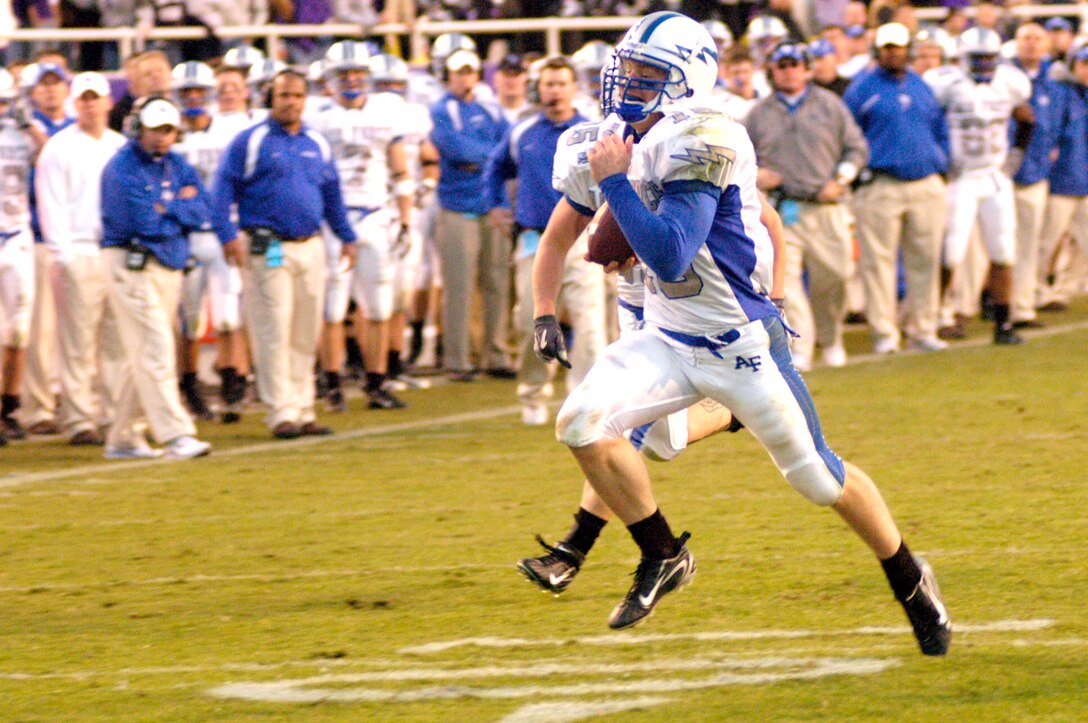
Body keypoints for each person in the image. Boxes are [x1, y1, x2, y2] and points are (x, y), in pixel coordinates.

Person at [534, 12, 949, 658]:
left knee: (818, 477)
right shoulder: (613, 134)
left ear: (687, 80)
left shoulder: (708, 133)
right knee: (581, 423)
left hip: (738, 343)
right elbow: (573, 227)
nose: (629, 82)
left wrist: (617, 181)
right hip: (668, 336)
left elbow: (671, 253)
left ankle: (909, 577)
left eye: (649, 73)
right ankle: (663, 553)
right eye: (629, 68)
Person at [213, 69, 357, 440]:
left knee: (306, 329)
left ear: (305, 99)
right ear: (270, 99)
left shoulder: (316, 142)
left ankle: (304, 407)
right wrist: (228, 234)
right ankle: (281, 412)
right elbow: (222, 189)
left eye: (296, 95)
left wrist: (345, 235)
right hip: (267, 244)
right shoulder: (251, 140)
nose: (290, 102)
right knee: (274, 326)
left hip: (310, 244)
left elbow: (331, 194)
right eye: (283, 96)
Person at [483, 56, 605, 426]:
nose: (554, 90)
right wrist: (495, 206)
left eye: (560, 83)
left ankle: (586, 398)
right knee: (530, 319)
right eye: (548, 84)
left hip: (583, 241)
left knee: (589, 322)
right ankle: (534, 392)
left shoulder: (592, 130)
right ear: (539, 88)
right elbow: (494, 170)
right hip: (535, 240)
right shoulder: (522, 132)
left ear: (573, 88)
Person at [99, 98, 213, 460]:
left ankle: (124, 437)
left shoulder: (178, 164)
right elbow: (143, 223)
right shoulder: (121, 168)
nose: (162, 138)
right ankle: (176, 433)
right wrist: (179, 208)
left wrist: (170, 209)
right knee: (155, 348)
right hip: (131, 262)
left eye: (168, 130)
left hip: (169, 263)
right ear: (139, 128)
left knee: (147, 353)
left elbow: (202, 210)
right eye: (155, 129)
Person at [745, 41, 869, 371]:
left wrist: (841, 179)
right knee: (785, 279)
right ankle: (800, 344)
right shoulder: (758, 114)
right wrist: (758, 175)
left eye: (794, 65)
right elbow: (739, 159)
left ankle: (831, 339)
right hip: (782, 209)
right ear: (772, 70)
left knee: (837, 274)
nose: (788, 71)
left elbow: (856, 149)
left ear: (807, 68)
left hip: (826, 205)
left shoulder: (830, 105)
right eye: (781, 65)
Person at [307, 41, 416, 411]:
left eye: (357, 74)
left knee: (379, 305)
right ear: (330, 80)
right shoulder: (317, 116)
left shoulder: (387, 110)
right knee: (332, 306)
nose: (352, 81)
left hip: (375, 212)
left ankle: (376, 381)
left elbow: (400, 168)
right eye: (344, 75)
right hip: (333, 217)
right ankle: (333, 382)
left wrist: (405, 216)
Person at [844, 23, 951, 354]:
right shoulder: (861, 89)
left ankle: (923, 329)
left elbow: (939, 128)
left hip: (925, 182)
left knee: (926, 260)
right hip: (881, 183)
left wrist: (942, 165)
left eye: (899, 47)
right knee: (879, 264)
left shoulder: (922, 85)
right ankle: (885, 334)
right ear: (877, 50)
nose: (894, 52)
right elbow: (848, 138)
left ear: (908, 50)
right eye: (887, 47)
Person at [35, 71, 128, 446]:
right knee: (77, 343)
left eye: (95, 97)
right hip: (80, 251)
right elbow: (50, 202)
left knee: (117, 341)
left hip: (115, 251)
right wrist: (64, 254)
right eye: (83, 98)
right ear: (75, 102)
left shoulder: (120, 145)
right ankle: (79, 418)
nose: (89, 104)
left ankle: (113, 413)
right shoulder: (58, 148)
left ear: (107, 101)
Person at [925, 27, 1033, 345]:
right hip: (961, 178)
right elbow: (927, 122)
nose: (984, 64)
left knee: (1003, 249)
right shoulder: (945, 83)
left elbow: (1027, 118)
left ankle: (1003, 323)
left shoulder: (1010, 83)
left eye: (988, 58)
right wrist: (941, 161)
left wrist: (1015, 157)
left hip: (994, 176)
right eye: (977, 58)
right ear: (962, 58)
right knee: (950, 251)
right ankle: (938, 317)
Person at [171, 60, 251, 423]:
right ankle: (189, 386)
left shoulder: (230, 132)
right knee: (188, 320)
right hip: (185, 236)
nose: (192, 99)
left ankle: (233, 383)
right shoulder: (168, 134)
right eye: (185, 93)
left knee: (228, 317)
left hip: (221, 234)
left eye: (198, 92)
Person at [429, 48, 513, 381]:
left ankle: (495, 353)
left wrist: (483, 158)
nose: (464, 78)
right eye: (458, 72)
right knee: (459, 286)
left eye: (469, 71)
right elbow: (455, 149)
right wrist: (491, 157)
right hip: (458, 205)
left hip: (492, 204)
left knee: (497, 282)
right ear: (447, 75)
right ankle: (458, 359)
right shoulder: (442, 109)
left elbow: (509, 144)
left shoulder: (490, 108)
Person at [1008, 23, 1061, 330]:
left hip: (1035, 175)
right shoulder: (1003, 78)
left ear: (1045, 45)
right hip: (1001, 176)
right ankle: (963, 307)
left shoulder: (1052, 85)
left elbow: (1054, 128)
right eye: (1025, 38)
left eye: (1036, 39)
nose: (1030, 44)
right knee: (985, 247)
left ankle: (1022, 308)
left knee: (1028, 244)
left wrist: (1046, 156)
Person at [0, 68, 40, 442]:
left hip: (17, 234)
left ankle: (10, 405)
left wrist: (30, 126)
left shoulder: (20, 133)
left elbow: (48, 153)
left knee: (20, 330)